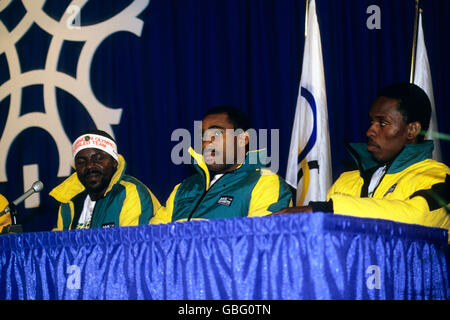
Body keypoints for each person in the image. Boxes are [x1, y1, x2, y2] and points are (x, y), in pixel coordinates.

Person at [276, 82, 450, 241]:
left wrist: (327, 210)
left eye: (382, 123)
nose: (370, 131)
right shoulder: (346, 181)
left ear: (412, 130)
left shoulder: (439, 177)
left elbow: (417, 218)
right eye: (371, 121)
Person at [151, 106, 292, 223]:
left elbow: (262, 243)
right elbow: (151, 240)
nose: (207, 142)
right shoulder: (183, 188)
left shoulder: (265, 183)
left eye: (217, 134)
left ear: (243, 139)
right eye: (203, 135)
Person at [50, 130, 161, 230]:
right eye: (81, 161)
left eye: (98, 158)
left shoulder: (130, 193)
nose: (89, 166)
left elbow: (135, 248)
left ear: (114, 163)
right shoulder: (69, 202)